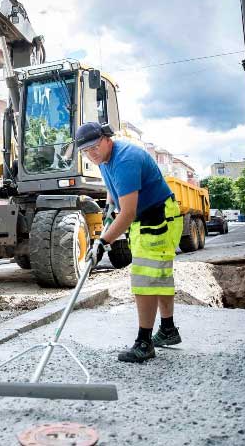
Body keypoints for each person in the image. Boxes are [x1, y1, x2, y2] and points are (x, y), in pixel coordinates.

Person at [75, 122, 184, 362]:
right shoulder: (103, 160)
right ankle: (167, 330)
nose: (91, 153)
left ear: (106, 138)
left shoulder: (125, 160)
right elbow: (114, 192)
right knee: (158, 277)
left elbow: (128, 213)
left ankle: (144, 343)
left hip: (157, 219)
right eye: (85, 151)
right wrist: (108, 205)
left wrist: (102, 242)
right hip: (151, 218)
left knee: (144, 279)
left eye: (94, 146)